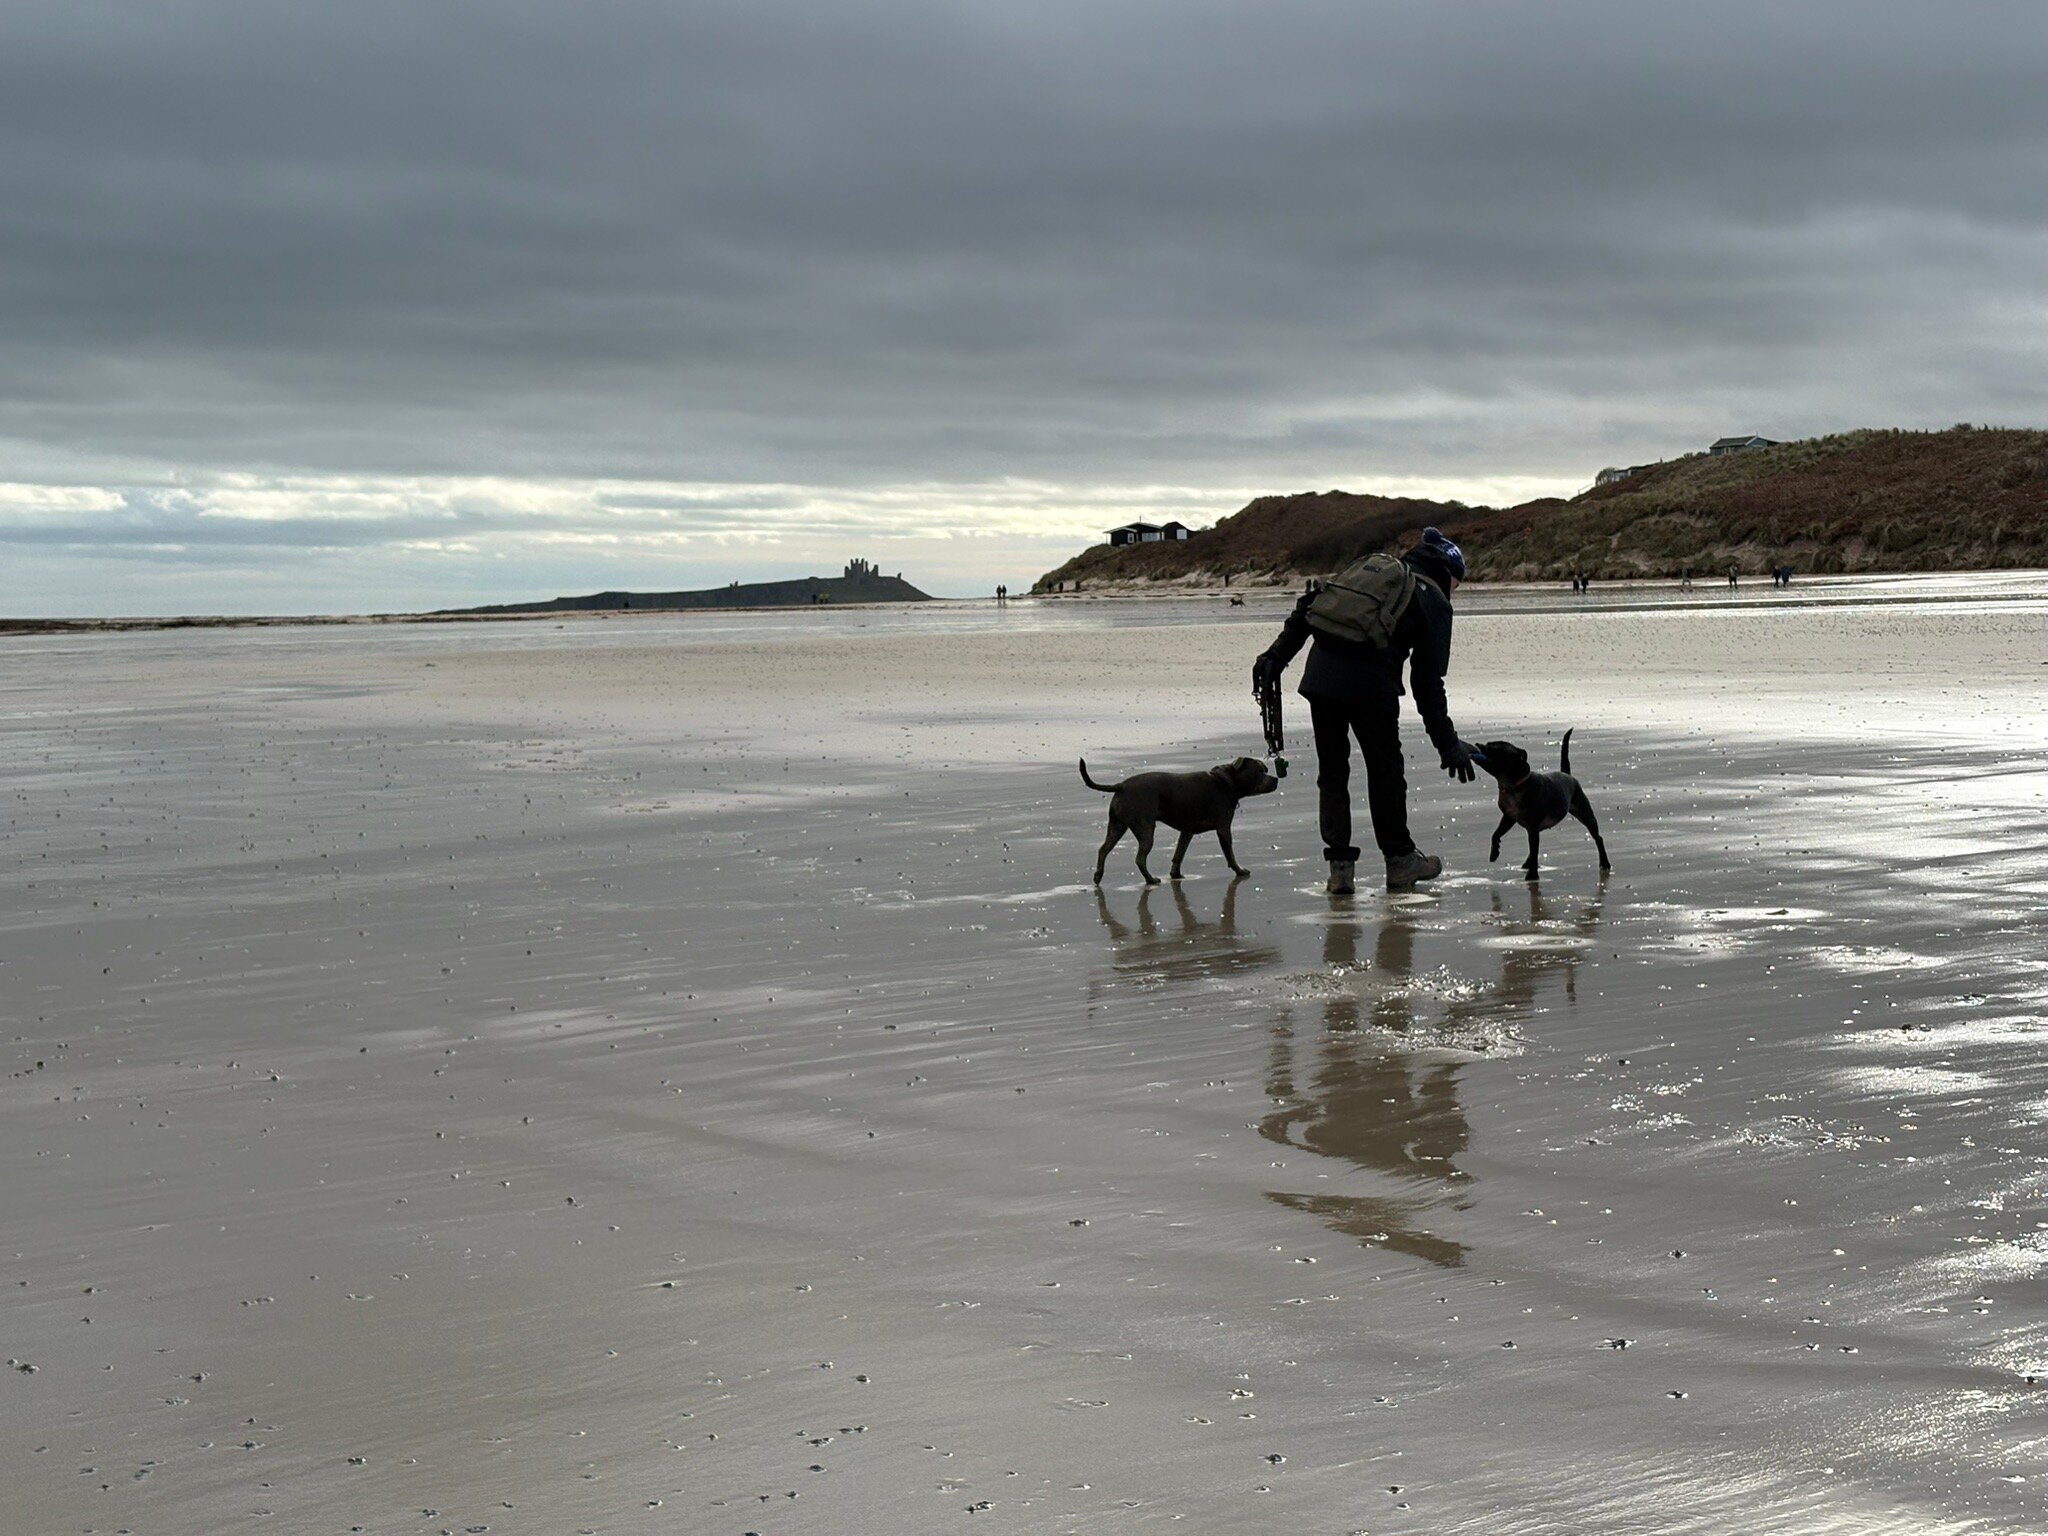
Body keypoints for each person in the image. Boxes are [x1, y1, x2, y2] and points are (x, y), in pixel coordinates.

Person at [1252, 527, 1475, 895]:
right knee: (1385, 771)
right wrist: (1448, 744)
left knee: (1333, 772)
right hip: (1370, 686)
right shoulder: (1433, 599)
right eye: (1458, 585)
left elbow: (1310, 608)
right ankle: (1401, 861)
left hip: (1320, 679)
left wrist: (1276, 656)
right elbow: (1427, 682)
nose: (1455, 593)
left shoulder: (1371, 572)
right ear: (1448, 574)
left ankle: (1340, 872)